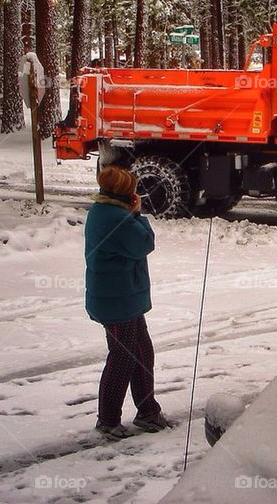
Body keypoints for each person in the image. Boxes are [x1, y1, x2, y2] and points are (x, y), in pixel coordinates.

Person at [85, 165, 172, 440]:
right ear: (125, 193)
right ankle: (108, 419)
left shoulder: (103, 211)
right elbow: (143, 243)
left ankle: (147, 411)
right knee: (123, 357)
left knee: (141, 351)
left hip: (121, 297)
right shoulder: (117, 218)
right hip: (117, 300)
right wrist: (139, 214)